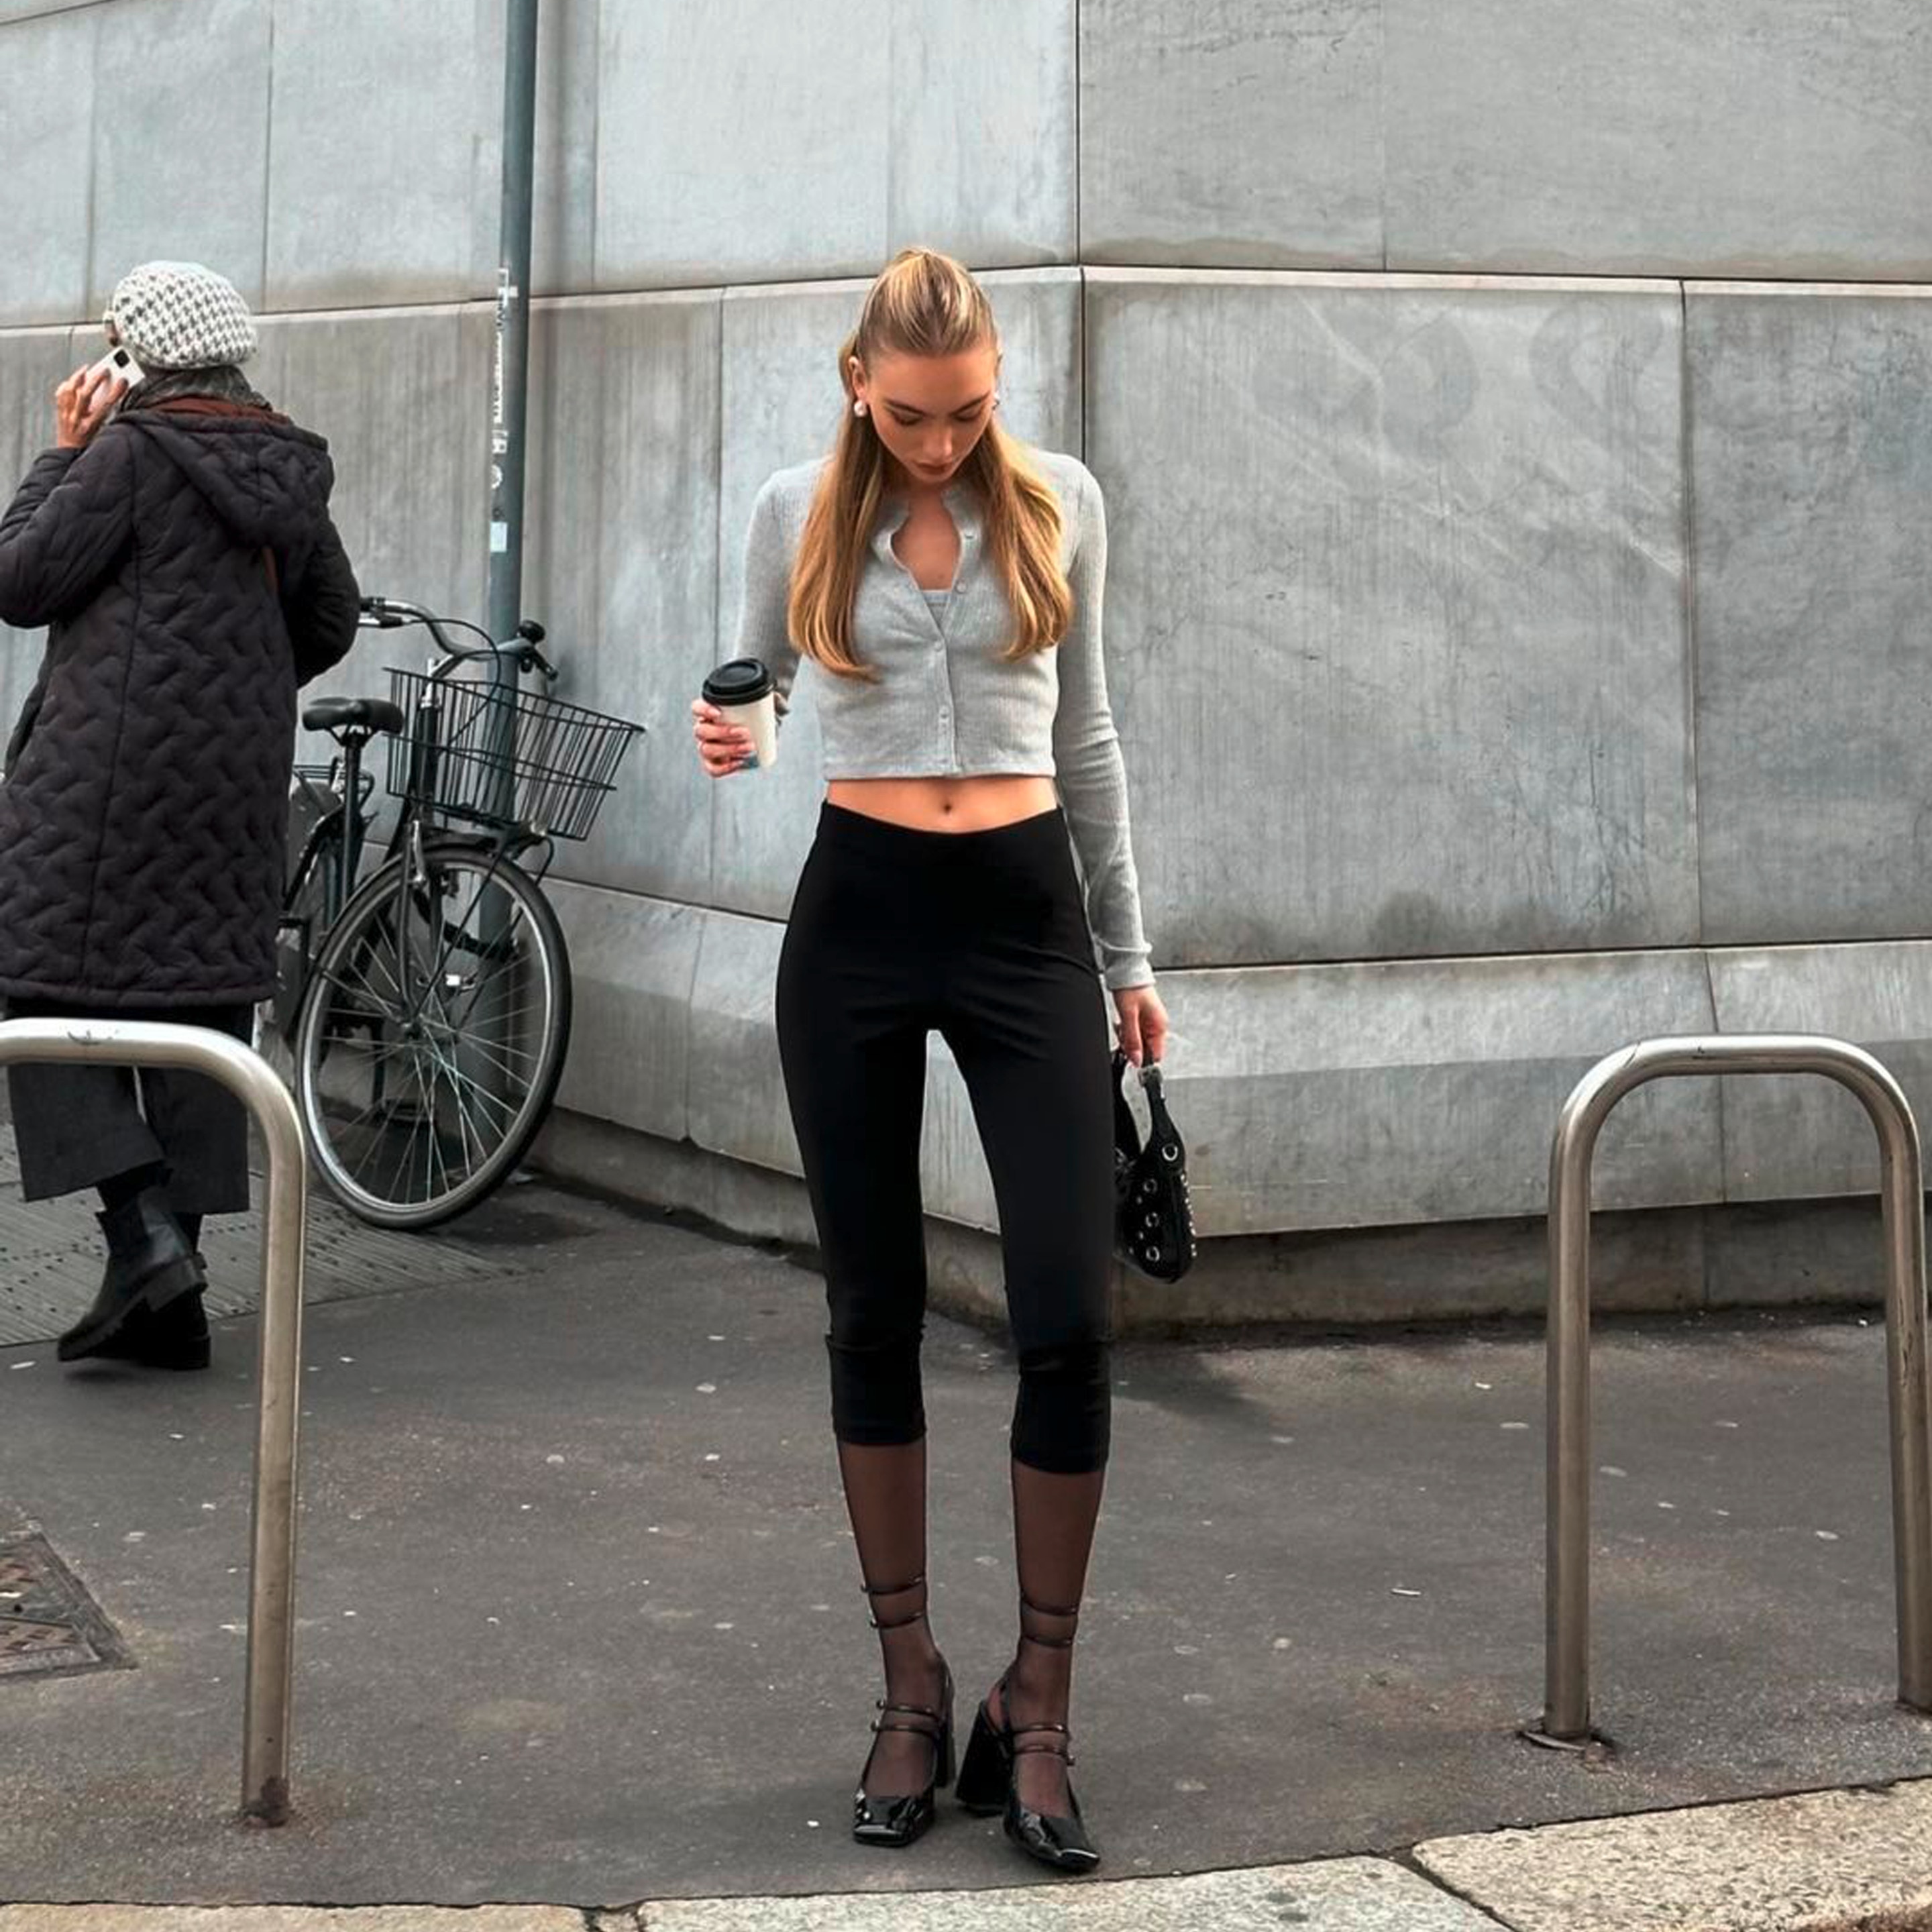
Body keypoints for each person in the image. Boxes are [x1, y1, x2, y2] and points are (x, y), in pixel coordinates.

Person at [691, 247, 1169, 1872]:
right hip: (861, 921)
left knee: (1068, 1318)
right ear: (858, 385)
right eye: (911, 415)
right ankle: (911, 1682)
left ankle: (1038, 1705)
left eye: (967, 411)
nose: (942, 441)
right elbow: (756, 690)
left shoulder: (1062, 501)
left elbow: (1087, 736)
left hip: (1028, 919)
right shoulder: (795, 510)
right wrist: (736, 730)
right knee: (871, 1307)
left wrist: (1130, 963)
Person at [0, 260, 360, 1372]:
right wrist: (235, 689)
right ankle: (170, 1309)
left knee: (35, 984)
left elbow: (19, 580)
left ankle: (143, 1233)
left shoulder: (129, 454)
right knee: (200, 1008)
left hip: (104, 776)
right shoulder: (287, 459)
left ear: (136, 355)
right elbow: (331, 617)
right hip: (235, 783)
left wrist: (61, 452)